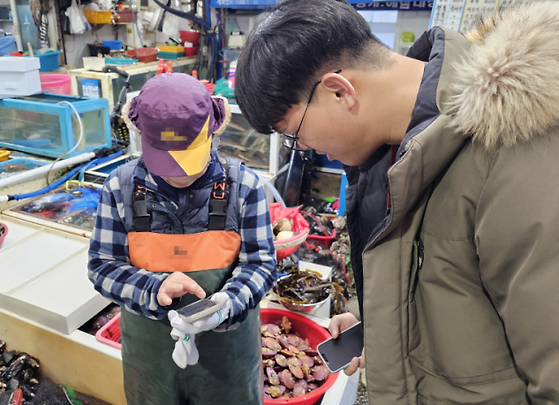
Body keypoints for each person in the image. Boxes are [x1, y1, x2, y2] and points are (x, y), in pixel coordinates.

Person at [235, 0, 559, 403]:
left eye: (293, 133)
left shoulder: (515, 148)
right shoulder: (388, 153)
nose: (302, 147)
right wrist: (380, 323)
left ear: (339, 91)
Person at [87, 72, 277, 405]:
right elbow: (102, 266)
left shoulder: (244, 186)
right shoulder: (119, 187)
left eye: (187, 158)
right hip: (151, 366)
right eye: (165, 161)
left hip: (228, 364)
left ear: (212, 132)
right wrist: (152, 288)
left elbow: (260, 263)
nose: (178, 174)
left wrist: (226, 306)